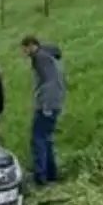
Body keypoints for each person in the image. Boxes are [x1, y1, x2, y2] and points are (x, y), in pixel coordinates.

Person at [20, 35, 66, 185]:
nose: (24, 52)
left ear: (32, 45)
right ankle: (51, 174)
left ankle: (41, 176)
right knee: (47, 139)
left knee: (38, 138)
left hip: (47, 104)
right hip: (55, 102)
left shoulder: (41, 58)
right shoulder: (50, 56)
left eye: (25, 48)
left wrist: (45, 105)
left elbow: (49, 82)